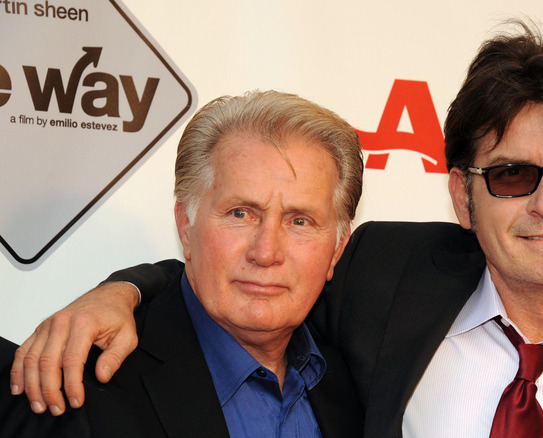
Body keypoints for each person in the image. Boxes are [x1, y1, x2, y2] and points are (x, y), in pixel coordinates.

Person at [8, 21, 543, 437]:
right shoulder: (386, 283)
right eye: (510, 174)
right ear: (461, 195)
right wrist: (124, 291)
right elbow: (251, 285)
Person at [0, 90, 365, 437]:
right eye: (241, 213)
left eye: (299, 221)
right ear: (186, 224)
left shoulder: (365, 378)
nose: (266, 252)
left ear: (337, 248)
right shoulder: (78, 387)